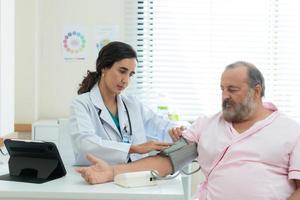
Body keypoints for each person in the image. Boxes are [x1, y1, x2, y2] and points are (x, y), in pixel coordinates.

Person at [76, 61, 300, 200]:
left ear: (256, 91)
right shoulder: (207, 125)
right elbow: (166, 162)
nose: (224, 96)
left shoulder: (291, 131)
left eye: (232, 89)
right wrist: (112, 171)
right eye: (222, 89)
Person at [70, 41, 176, 166]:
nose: (125, 80)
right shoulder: (81, 104)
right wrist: (134, 149)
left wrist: (174, 131)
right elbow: (85, 144)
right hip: (97, 176)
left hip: (131, 174)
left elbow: (157, 124)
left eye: (130, 74)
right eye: (122, 71)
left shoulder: (131, 103)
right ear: (104, 67)